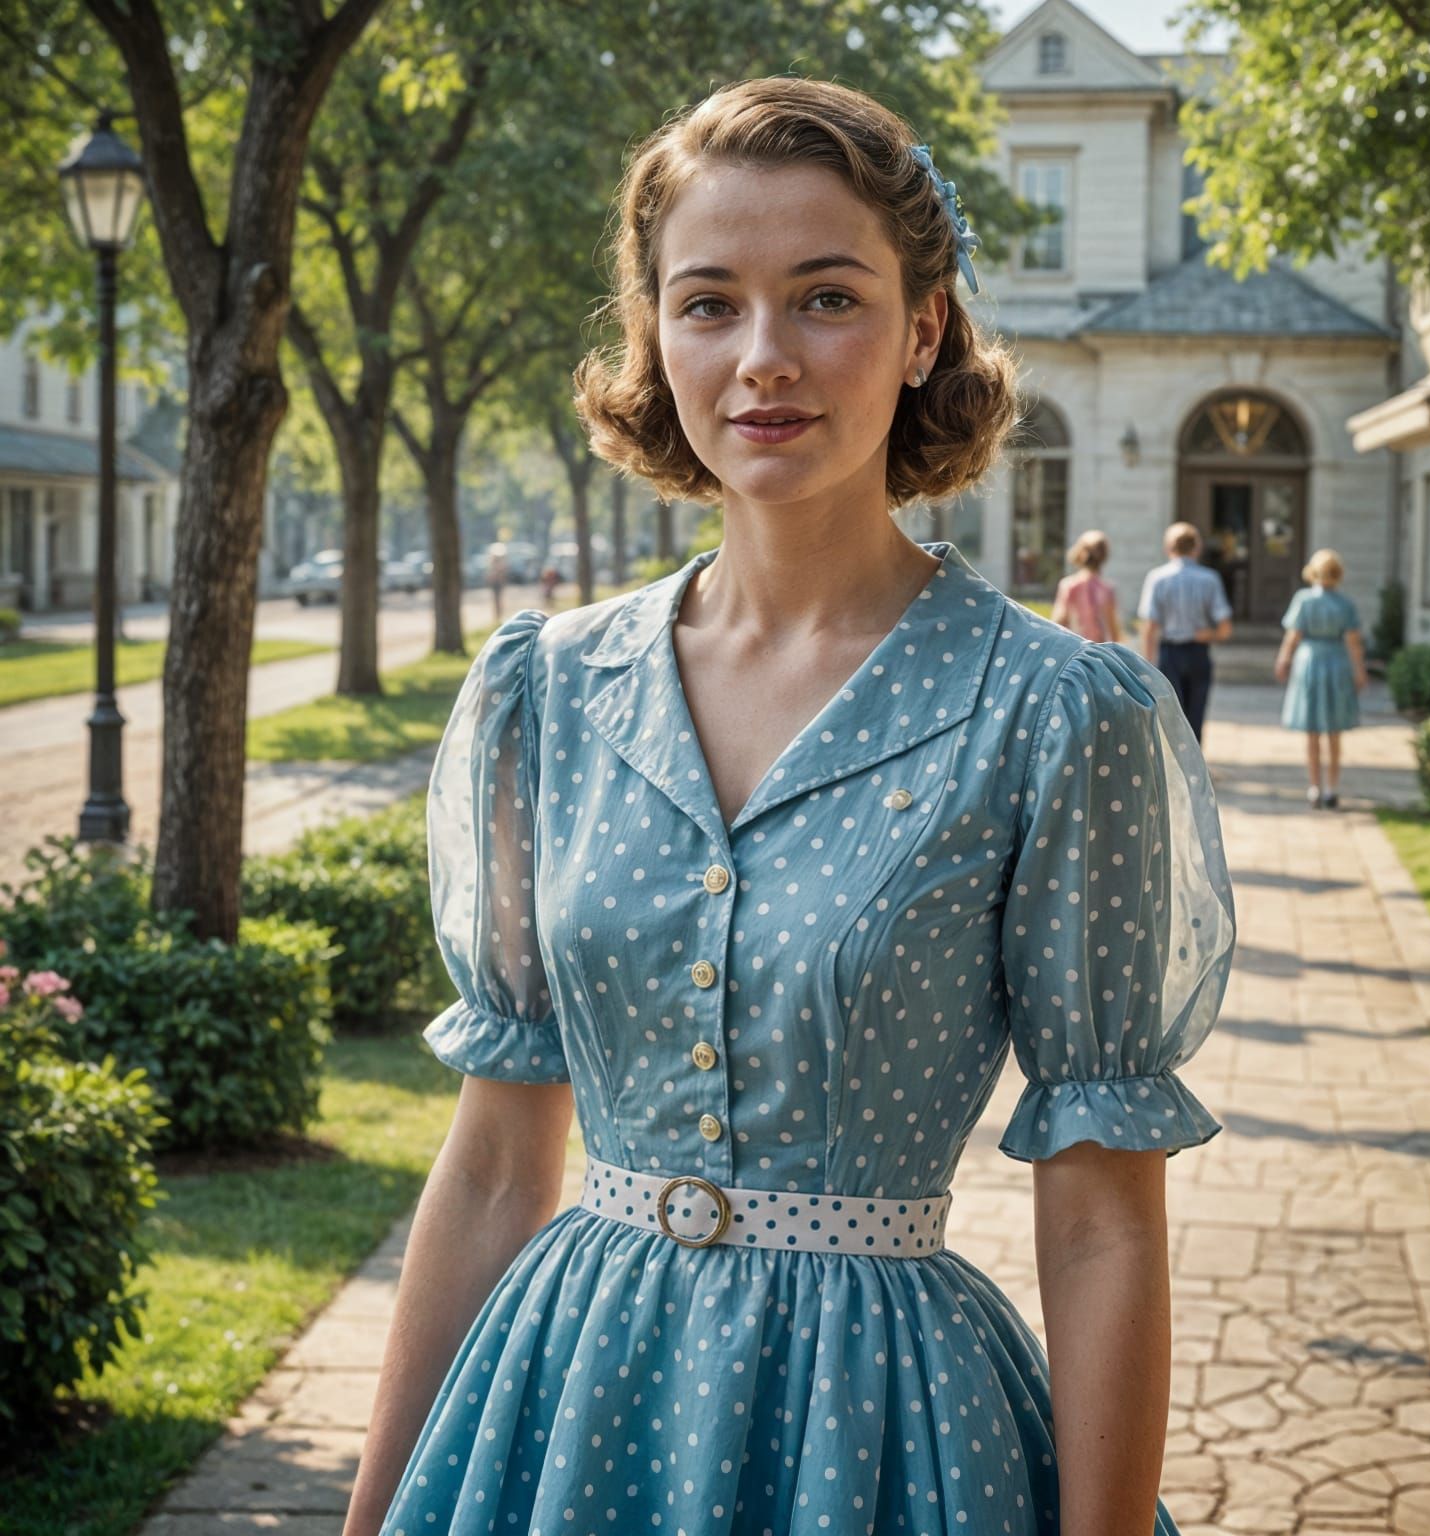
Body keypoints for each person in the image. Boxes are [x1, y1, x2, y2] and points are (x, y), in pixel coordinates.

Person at [345, 77, 1236, 1536]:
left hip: (883, 1433)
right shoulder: (546, 692)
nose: (765, 359)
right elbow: (502, 1162)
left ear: (923, 327)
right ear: (656, 334)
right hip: (566, 1414)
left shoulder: (1054, 714)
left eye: (827, 297)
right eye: (708, 304)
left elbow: (1098, 1224)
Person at [1275, 547, 1368, 808]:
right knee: (1334, 731)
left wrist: (1283, 660)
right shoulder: (1345, 604)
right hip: (1337, 662)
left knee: (1312, 730)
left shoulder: (1304, 600)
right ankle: (1332, 788)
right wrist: (1360, 672)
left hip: (1309, 662)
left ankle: (1314, 787)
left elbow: (1293, 636)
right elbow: (1353, 643)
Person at [1137, 521, 1234, 744]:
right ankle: (1195, 772)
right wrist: (1208, 634)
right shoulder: (1209, 579)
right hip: (1198, 651)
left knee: (1169, 716)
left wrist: (1147, 662)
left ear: (1168, 547)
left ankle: (1172, 772)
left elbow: (1150, 626)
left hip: (1169, 652)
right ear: (1196, 548)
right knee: (1196, 715)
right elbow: (1225, 629)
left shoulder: (1157, 578)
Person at [1051, 527, 1122, 642]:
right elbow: (1113, 631)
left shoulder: (1069, 585)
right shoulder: (1106, 589)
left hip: (1074, 648)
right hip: (1098, 650)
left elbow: (1058, 621)